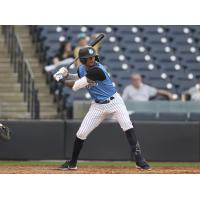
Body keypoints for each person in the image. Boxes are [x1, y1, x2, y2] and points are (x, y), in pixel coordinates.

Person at [54, 46, 151, 170]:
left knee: (127, 125)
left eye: (93, 57)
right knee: (81, 133)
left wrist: (60, 79)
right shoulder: (82, 68)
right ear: (83, 61)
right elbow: (77, 77)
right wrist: (67, 74)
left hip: (114, 102)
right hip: (98, 106)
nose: (92, 60)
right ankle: (72, 163)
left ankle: (139, 159)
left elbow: (76, 85)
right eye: (89, 58)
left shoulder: (97, 70)